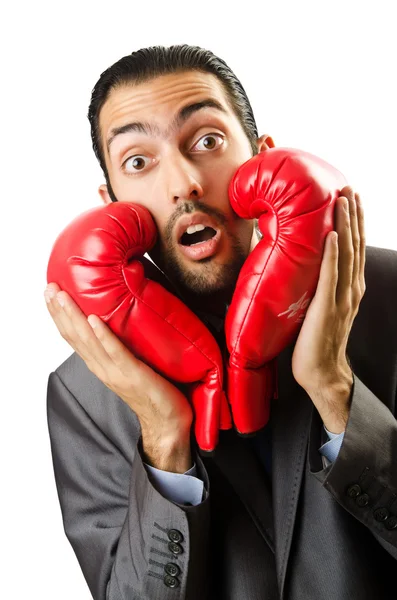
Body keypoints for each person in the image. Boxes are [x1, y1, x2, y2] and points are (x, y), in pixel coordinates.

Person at [44, 44, 397, 600]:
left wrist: (335, 390)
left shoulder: (390, 294)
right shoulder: (83, 391)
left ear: (261, 156)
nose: (183, 182)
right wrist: (164, 439)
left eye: (207, 141)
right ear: (110, 202)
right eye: (139, 161)